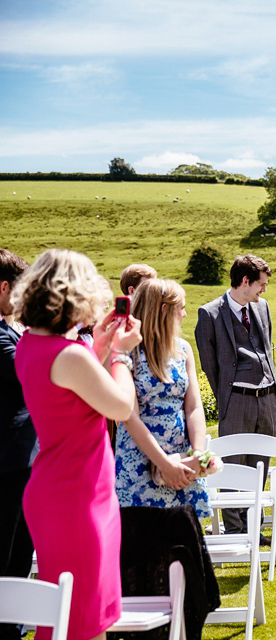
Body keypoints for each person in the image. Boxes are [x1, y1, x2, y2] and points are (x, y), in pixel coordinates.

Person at [12, 248, 142, 640]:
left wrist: (98, 346)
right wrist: (119, 356)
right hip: (78, 496)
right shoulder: (69, 355)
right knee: (82, 621)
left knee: (66, 616)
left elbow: (69, 387)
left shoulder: (29, 346)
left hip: (59, 490)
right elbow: (120, 406)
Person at [195, 254, 276, 537]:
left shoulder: (263, 307)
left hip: (266, 398)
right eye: (261, 284)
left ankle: (254, 528)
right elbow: (210, 365)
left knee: (260, 463)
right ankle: (234, 529)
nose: (264, 290)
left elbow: (265, 350)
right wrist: (228, 398)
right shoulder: (210, 314)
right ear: (245, 281)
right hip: (236, 398)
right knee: (232, 464)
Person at [115, 278, 212, 518]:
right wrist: (164, 464)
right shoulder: (127, 350)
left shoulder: (183, 349)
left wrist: (197, 456)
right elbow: (129, 416)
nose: (185, 314)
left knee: (184, 545)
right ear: (164, 310)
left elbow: (193, 407)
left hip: (181, 460)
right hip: (139, 462)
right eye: (181, 308)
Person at [0, 248, 34, 640]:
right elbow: (25, 371)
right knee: (8, 553)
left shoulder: (10, 331)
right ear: (5, 287)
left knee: (20, 551)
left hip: (21, 462)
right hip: (6, 464)